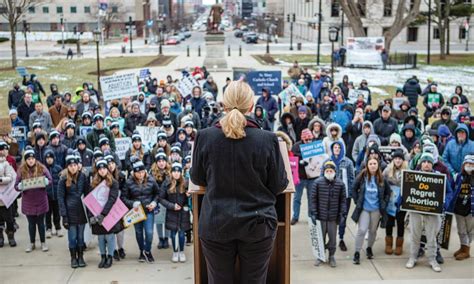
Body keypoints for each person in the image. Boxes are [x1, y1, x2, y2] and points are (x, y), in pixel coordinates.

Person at [190, 81, 288, 284]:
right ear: (251, 106)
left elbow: (197, 178)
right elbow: (279, 184)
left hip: (216, 224)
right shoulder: (267, 139)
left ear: (223, 105)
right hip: (257, 224)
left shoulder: (204, 137)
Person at [405, 153, 445, 272]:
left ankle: (432, 259)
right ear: (420, 163)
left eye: (428, 162)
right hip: (415, 209)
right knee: (415, 235)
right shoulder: (413, 175)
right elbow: (406, 190)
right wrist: (401, 201)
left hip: (432, 211)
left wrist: (444, 202)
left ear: (432, 164)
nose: (426, 164)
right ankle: (412, 257)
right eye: (424, 162)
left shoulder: (438, 177)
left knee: (431, 236)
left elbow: (448, 192)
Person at [352, 157, 391, 265]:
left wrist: (384, 203)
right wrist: (357, 201)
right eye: (370, 164)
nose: (373, 165)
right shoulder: (362, 176)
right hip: (364, 208)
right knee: (362, 230)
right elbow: (353, 189)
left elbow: (388, 192)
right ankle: (357, 252)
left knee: (373, 231)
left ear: (378, 165)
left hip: (376, 209)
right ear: (367, 165)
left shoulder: (382, 178)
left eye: (375, 163)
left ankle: (369, 248)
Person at [15, 146, 53, 253]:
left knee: (41, 223)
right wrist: (20, 186)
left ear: (35, 159)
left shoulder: (41, 167)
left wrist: (45, 181)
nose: (31, 161)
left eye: (32, 159)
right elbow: (16, 185)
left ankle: (43, 242)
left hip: (41, 200)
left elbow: (50, 180)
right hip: (28, 202)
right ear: (25, 160)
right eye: (28, 159)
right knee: (31, 224)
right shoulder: (21, 170)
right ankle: (32, 243)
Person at [122, 157, 160, 263]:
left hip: (148, 211)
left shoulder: (151, 180)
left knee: (149, 232)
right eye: (138, 172)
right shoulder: (129, 182)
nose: (140, 174)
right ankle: (141, 251)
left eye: (142, 172)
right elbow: (124, 198)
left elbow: (158, 193)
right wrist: (132, 203)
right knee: (139, 232)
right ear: (134, 173)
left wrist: (154, 202)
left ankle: (147, 251)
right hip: (136, 212)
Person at [309, 161, 346, 267]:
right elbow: (313, 199)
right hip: (320, 216)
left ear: (335, 171)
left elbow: (343, 200)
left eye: (331, 170)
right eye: (327, 170)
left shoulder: (340, 184)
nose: (329, 172)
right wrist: (313, 213)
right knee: (320, 238)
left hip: (333, 218)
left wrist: (342, 213)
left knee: (333, 238)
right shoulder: (317, 183)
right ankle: (320, 256)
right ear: (324, 171)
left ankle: (331, 256)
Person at [87, 159, 123, 269]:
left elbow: (112, 199)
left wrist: (103, 214)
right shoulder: (93, 183)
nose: (102, 171)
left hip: (108, 214)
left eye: (104, 168)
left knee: (110, 236)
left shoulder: (114, 182)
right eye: (100, 169)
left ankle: (110, 256)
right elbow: (90, 201)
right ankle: (103, 256)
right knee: (101, 237)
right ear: (97, 171)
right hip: (97, 214)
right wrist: (91, 216)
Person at [58, 153, 89, 268]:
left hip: (81, 211)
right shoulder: (63, 179)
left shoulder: (83, 177)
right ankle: (73, 257)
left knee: (81, 237)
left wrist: (90, 212)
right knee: (72, 237)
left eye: (75, 165)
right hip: (69, 212)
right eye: (70, 165)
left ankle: (80, 256)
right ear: (67, 167)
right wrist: (64, 216)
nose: (73, 167)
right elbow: (60, 198)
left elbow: (88, 193)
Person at [160, 162, 191, 263]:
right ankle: (175, 251)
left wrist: (188, 196)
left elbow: (190, 198)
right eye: (174, 171)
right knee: (173, 233)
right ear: (171, 172)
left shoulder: (186, 182)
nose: (176, 173)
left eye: (178, 171)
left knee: (182, 233)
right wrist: (172, 206)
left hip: (182, 212)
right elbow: (161, 198)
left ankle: (181, 252)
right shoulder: (166, 183)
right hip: (172, 212)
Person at [328, 141, 354, 252]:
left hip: (345, 195)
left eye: (339, 147)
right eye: (335, 147)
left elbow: (351, 178)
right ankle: (331, 239)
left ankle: (341, 238)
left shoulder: (348, 162)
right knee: (332, 217)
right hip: (331, 195)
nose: (337, 149)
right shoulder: (328, 161)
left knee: (343, 217)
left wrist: (352, 193)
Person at [382, 149, 408, 255]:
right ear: (393, 160)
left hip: (401, 200)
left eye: (400, 159)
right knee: (389, 222)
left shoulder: (407, 170)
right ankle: (388, 244)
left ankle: (399, 245)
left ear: (403, 160)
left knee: (400, 222)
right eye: (396, 158)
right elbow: (382, 182)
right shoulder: (387, 170)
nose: (398, 160)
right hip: (390, 200)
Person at [291, 129, 319, 225]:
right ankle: (295, 216)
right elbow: (292, 158)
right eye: (306, 140)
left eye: (310, 139)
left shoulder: (315, 146)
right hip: (300, 176)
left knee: (311, 198)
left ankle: (311, 217)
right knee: (297, 198)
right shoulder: (296, 146)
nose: (308, 141)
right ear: (303, 139)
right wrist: (300, 161)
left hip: (312, 177)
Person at [449, 155, 473, 261]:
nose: (469, 166)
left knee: (470, 230)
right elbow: (452, 189)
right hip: (459, 208)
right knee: (461, 229)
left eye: (471, 164)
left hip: (471, 209)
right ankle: (463, 247)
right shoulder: (458, 176)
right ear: (463, 165)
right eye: (467, 164)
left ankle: (466, 250)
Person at [150, 151, 171, 249]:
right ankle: (160, 238)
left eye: (163, 161)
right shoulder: (152, 173)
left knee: (167, 219)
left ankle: (166, 238)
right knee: (158, 220)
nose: (161, 163)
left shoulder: (170, 172)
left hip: (167, 200)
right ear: (156, 163)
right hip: (157, 200)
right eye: (159, 161)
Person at [0, 141, 17, 248]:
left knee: (9, 219)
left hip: (6, 197)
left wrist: (1, 179)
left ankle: (11, 235)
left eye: (3, 149)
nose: (2, 151)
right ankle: (0, 237)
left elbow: (10, 177)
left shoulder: (6, 163)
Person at [43, 150, 63, 238]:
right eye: (47, 158)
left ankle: (58, 227)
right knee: (47, 213)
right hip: (46, 195)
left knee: (57, 213)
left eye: (50, 158)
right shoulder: (43, 169)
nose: (49, 160)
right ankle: (48, 228)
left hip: (57, 195)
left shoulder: (58, 168)